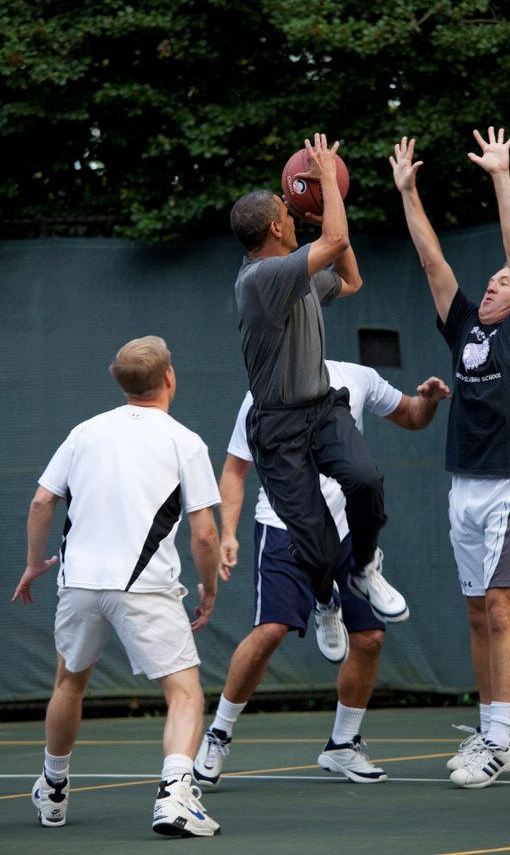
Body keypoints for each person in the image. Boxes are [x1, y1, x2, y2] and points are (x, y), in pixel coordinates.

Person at [192, 360, 450, 786]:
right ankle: (219, 732)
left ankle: (343, 746)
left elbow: (410, 416)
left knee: (369, 638)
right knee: (271, 630)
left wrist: (429, 400)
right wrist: (229, 534)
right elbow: (236, 470)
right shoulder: (263, 392)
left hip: (346, 529)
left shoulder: (358, 377)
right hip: (283, 528)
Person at [390, 128, 510, 788]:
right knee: (474, 610)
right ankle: (488, 729)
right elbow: (431, 260)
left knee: (500, 607)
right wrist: (407, 191)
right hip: (464, 481)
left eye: (501, 281)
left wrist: (499, 174)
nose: (492, 284)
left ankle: (500, 738)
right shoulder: (465, 327)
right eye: (488, 280)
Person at [12, 336, 222, 836]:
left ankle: (54, 789)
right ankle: (174, 798)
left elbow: (43, 502)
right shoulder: (184, 440)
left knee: (68, 682)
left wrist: (33, 563)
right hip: (144, 586)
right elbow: (206, 531)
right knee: (185, 693)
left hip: (79, 583)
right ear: (169, 378)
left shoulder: (83, 432)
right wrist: (209, 588)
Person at [233, 132, 406, 664]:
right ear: (275, 228)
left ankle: (365, 566)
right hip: (279, 425)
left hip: (321, 408)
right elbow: (330, 244)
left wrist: (329, 217)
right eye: (288, 206)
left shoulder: (299, 275)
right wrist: (328, 181)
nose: (293, 208)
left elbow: (350, 278)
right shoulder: (263, 278)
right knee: (312, 533)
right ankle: (326, 601)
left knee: (365, 480)